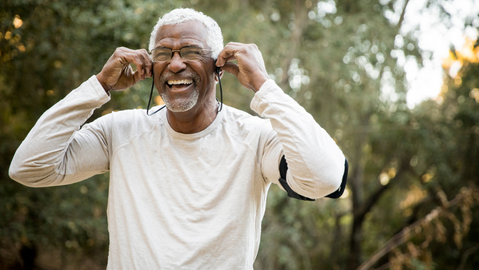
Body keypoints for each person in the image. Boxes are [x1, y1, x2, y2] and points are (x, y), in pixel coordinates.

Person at [9, 8, 348, 269]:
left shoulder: (255, 138)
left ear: (218, 66)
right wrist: (100, 86)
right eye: (163, 53)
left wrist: (263, 84)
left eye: (190, 51)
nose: (174, 64)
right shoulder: (120, 132)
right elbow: (29, 167)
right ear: (150, 66)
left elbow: (325, 178)